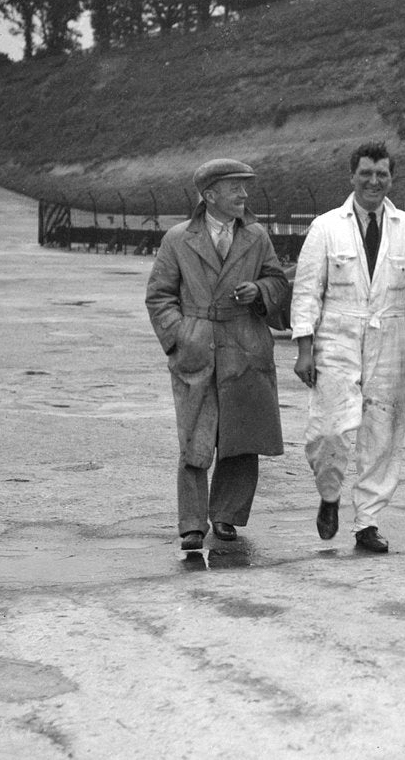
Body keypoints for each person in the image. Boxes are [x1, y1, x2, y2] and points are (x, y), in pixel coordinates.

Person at [291, 141, 405, 554]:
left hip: (390, 338)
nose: (374, 182)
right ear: (352, 176)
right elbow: (306, 291)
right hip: (336, 335)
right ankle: (330, 493)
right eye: (366, 174)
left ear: (391, 178)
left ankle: (368, 521)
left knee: (383, 432)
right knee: (329, 429)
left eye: (382, 175)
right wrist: (304, 347)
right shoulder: (326, 226)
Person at [146, 158, 291, 551]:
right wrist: (181, 337)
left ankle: (226, 516)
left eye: (246, 187)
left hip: (245, 343)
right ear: (210, 195)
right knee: (196, 434)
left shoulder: (257, 236)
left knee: (241, 436)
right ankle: (192, 523)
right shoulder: (177, 239)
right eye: (235, 188)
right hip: (197, 346)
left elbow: (278, 281)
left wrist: (259, 291)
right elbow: (159, 295)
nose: (244, 195)